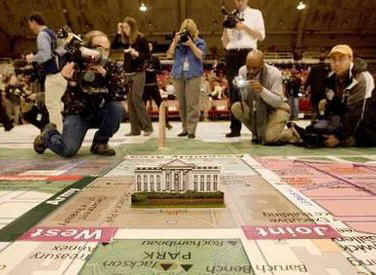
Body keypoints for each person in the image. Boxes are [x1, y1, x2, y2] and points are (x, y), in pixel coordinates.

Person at [33, 31, 128, 157]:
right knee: (68, 150)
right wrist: (64, 78)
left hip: (100, 113)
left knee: (117, 108)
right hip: (78, 114)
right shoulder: (75, 62)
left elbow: (121, 92)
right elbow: (45, 70)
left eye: (107, 49)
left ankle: (100, 143)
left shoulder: (112, 66)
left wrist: (105, 75)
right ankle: (48, 135)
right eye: (98, 48)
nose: (102, 53)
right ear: (87, 48)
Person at [222, 0, 265, 138]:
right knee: (234, 91)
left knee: (251, 90)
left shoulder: (255, 13)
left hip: (249, 54)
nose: (238, 2)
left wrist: (243, 27)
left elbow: (261, 36)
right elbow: (225, 42)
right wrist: (226, 26)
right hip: (232, 54)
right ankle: (235, 128)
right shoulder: (231, 15)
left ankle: (257, 126)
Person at [231, 50, 292, 145]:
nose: (251, 71)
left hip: (278, 109)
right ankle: (260, 133)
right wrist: (241, 88)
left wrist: (262, 91)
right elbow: (245, 99)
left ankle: (292, 133)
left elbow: (277, 102)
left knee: (269, 139)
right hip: (256, 109)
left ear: (262, 64)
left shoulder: (274, 73)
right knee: (236, 107)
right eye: (248, 67)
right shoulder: (242, 71)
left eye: (254, 68)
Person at [112, 17, 153, 136]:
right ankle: (135, 129)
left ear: (132, 27)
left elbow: (147, 56)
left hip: (139, 73)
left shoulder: (141, 38)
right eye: (122, 27)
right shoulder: (124, 40)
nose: (124, 30)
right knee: (130, 102)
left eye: (126, 27)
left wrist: (136, 54)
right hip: (128, 73)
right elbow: (114, 46)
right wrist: (118, 32)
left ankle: (147, 127)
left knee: (137, 99)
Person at [26, 13, 67, 132]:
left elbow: (45, 55)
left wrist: (32, 57)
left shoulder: (42, 35)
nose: (30, 27)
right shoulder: (52, 33)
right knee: (58, 104)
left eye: (30, 24)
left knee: (52, 105)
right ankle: (64, 127)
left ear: (34, 22)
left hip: (53, 75)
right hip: (60, 74)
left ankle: (57, 134)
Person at [167, 19, 206, 139]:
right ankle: (184, 128)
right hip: (178, 75)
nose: (186, 34)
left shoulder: (199, 42)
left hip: (193, 74)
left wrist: (191, 44)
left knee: (192, 104)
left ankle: (191, 130)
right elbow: (169, 55)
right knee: (182, 104)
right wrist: (174, 41)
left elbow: (201, 55)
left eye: (189, 31)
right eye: (185, 31)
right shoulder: (178, 43)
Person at [143, 41, 172, 129]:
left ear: (152, 48)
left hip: (153, 85)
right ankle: (144, 125)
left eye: (150, 46)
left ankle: (166, 122)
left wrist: (153, 71)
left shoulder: (155, 59)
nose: (149, 48)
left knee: (160, 105)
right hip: (144, 86)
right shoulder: (141, 58)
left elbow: (160, 71)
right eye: (147, 46)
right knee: (142, 107)